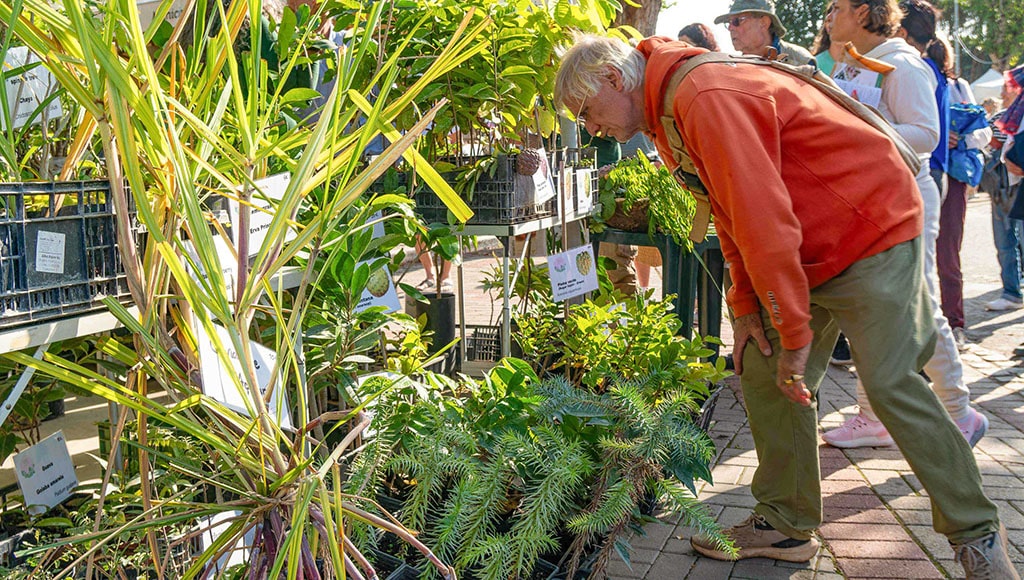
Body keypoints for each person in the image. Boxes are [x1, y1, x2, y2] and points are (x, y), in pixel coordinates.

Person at [554, 34, 1016, 578]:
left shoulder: (702, 95)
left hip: (870, 226)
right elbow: (726, 210)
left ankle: (976, 535)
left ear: (613, 79)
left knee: (891, 383)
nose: (589, 127)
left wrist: (795, 335)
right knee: (761, 363)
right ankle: (786, 525)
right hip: (805, 242)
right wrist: (748, 309)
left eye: (586, 111)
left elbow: (760, 219)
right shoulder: (669, 106)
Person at [821, 0, 987, 451]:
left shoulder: (904, 65)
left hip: (905, 197)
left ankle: (959, 412)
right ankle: (873, 417)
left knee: (921, 304)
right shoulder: (852, 65)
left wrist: (862, 129)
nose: (827, 18)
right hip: (865, 200)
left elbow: (926, 134)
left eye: (836, 7)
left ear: (864, 11)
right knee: (870, 307)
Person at [986, 70, 1024, 311]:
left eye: (1007, 86)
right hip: (1000, 187)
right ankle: (1011, 292)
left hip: (1017, 186)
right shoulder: (1002, 118)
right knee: (1004, 242)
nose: (1002, 91)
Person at [714, 0, 812, 64]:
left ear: (764, 23)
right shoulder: (733, 67)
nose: (731, 28)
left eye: (737, 21)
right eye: (729, 22)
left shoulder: (801, 61)